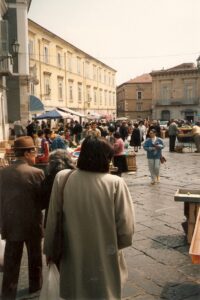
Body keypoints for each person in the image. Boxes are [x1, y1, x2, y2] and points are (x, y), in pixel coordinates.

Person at [43, 136, 135, 300]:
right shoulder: (116, 183)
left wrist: (50, 249)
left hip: (71, 254)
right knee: (104, 292)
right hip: (105, 256)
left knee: (75, 292)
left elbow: (52, 219)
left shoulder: (63, 178)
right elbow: (126, 230)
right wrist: (111, 245)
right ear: (106, 159)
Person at [0, 136, 45, 300]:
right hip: (32, 223)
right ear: (27, 153)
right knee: (35, 259)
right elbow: (42, 200)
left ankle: (8, 293)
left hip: (10, 223)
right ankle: (35, 289)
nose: (35, 155)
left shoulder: (2, 173)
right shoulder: (37, 173)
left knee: (11, 261)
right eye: (34, 151)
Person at [42, 149, 75, 227]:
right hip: (72, 218)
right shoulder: (75, 176)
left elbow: (43, 201)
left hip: (52, 218)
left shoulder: (48, 177)